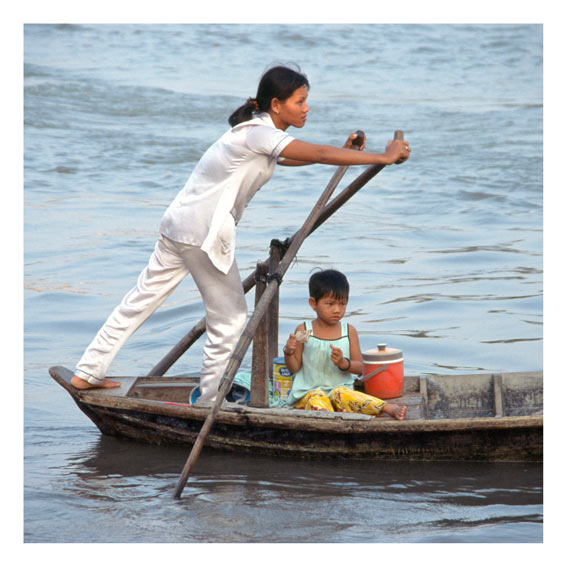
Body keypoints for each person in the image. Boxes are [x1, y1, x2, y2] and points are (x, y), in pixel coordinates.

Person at [70, 64, 411, 402]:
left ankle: (88, 372)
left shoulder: (254, 133)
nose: (306, 108)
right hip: (203, 233)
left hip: (179, 225)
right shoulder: (259, 134)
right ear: (276, 105)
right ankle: (209, 402)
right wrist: (381, 156)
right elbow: (317, 153)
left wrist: (350, 153)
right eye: (299, 101)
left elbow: (293, 157)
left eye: (306, 101)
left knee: (140, 300)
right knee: (230, 318)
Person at [284, 269, 406, 420]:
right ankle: (333, 416)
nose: (337, 310)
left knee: (345, 395)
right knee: (317, 398)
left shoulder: (348, 332)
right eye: (330, 304)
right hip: (309, 393)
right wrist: (288, 353)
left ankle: (386, 407)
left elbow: (360, 368)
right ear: (313, 303)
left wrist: (343, 363)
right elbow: (294, 368)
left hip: (339, 392)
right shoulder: (304, 331)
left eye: (342, 304)